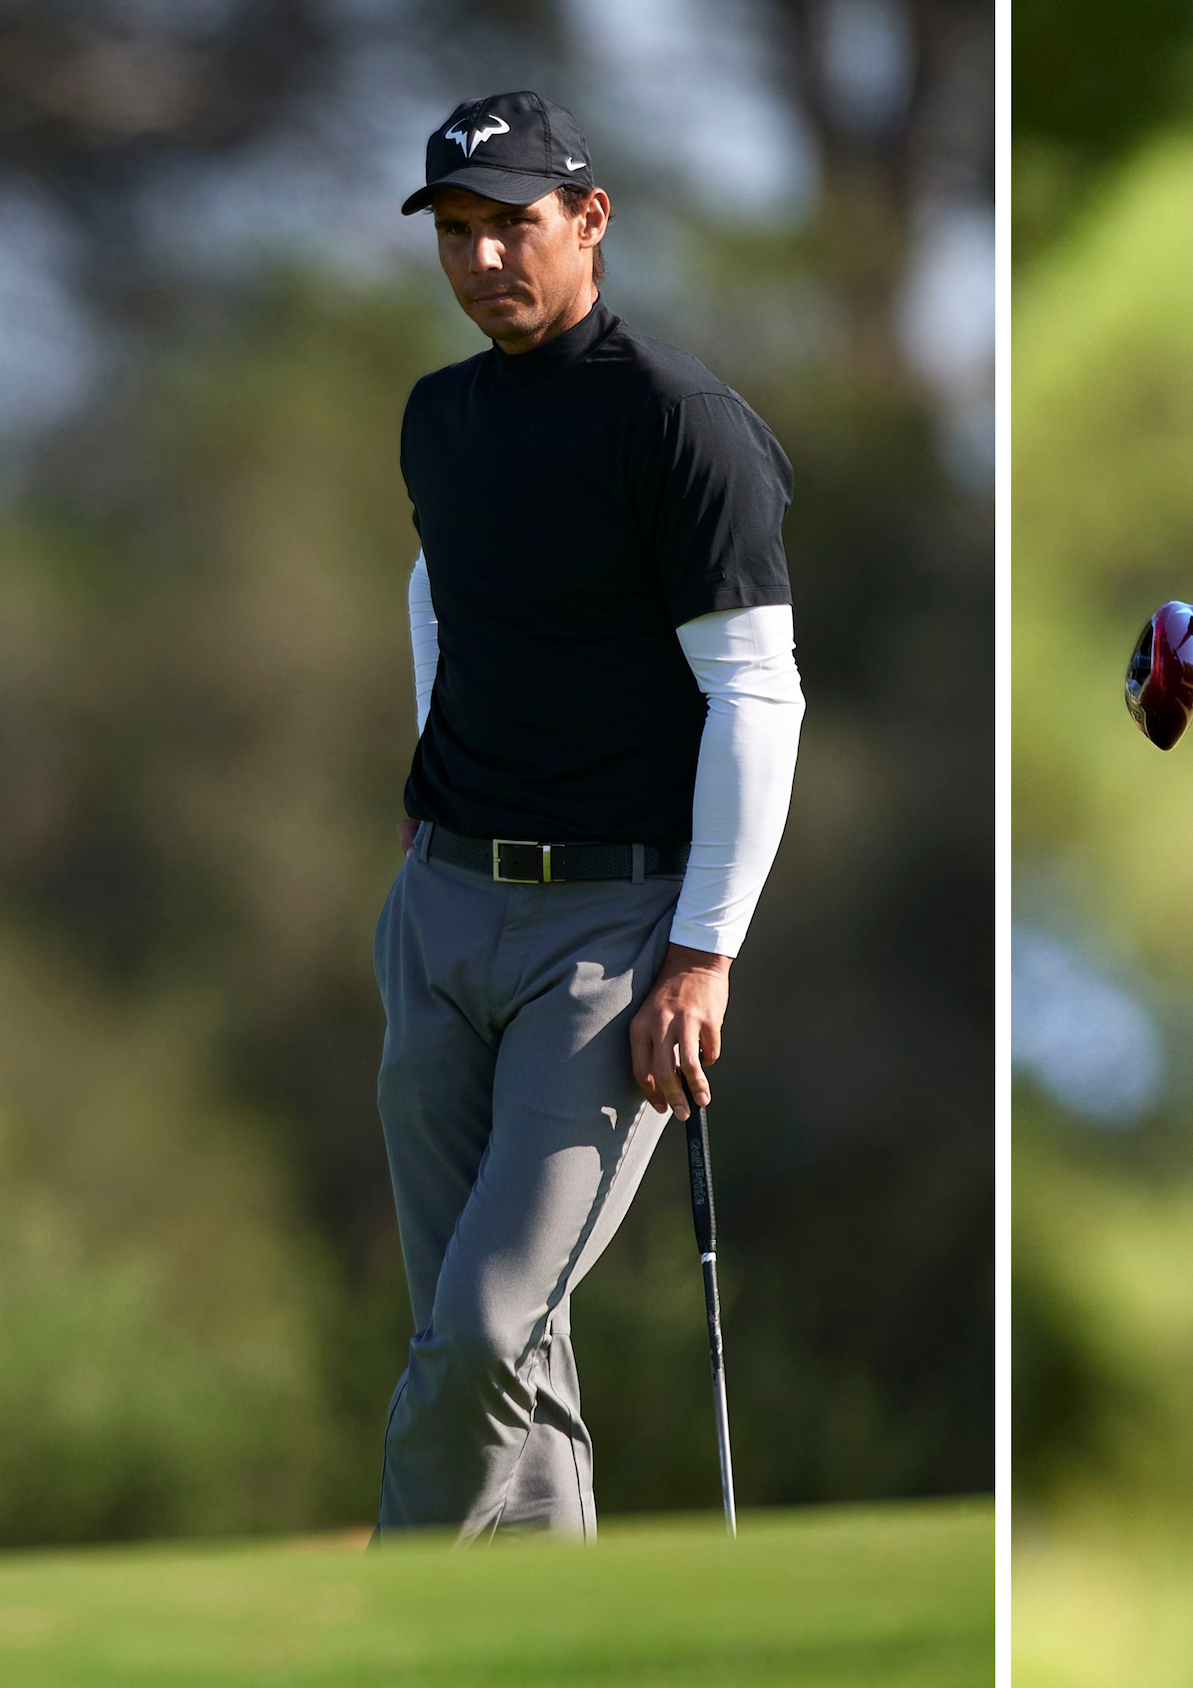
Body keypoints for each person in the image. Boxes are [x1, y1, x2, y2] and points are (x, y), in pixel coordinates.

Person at [373, 90, 806, 1540]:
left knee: (488, 1333)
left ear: (590, 218)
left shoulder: (678, 424)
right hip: (440, 911)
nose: (485, 259)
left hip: (614, 937)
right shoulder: (441, 417)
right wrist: (430, 816)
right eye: (457, 233)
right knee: (497, 1348)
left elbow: (758, 692)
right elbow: (443, 598)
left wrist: (703, 952)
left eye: (514, 226)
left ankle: (381, 1637)